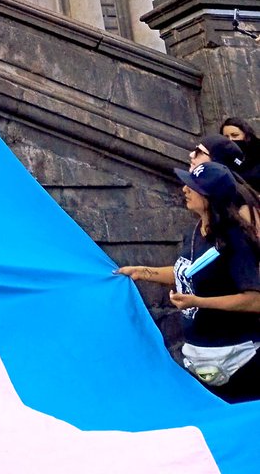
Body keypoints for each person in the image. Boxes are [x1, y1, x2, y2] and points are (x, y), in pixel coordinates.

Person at [118, 162, 260, 403]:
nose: (185, 189)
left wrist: (199, 302)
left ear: (210, 197)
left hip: (237, 361)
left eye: (193, 186)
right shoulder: (195, 231)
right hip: (199, 356)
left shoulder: (235, 239)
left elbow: (255, 300)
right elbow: (186, 272)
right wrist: (142, 272)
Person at [221, 118, 260, 190]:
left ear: (246, 135)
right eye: (226, 137)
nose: (230, 140)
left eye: (235, 135)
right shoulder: (223, 157)